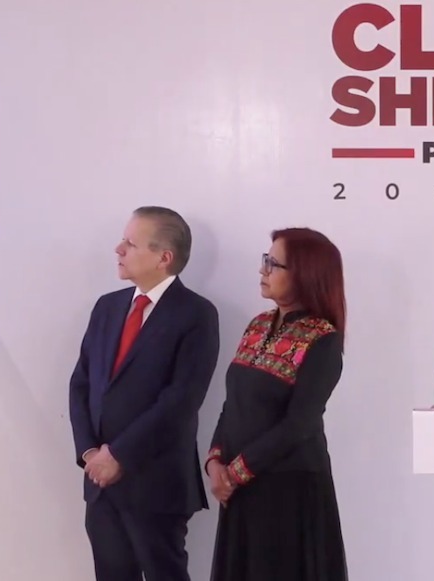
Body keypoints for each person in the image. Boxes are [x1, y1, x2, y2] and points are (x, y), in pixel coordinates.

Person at [68, 206, 221, 581]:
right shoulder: (107, 307)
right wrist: (90, 453)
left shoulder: (196, 314)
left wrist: (119, 455)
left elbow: (181, 400)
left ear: (163, 257)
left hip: (156, 483)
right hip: (101, 484)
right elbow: (81, 383)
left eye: (131, 243)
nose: (118, 249)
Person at [206, 227, 348, 581]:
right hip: (240, 488)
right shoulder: (257, 325)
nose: (262, 270)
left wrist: (235, 474)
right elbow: (233, 401)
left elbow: (299, 424)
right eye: (265, 260)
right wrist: (214, 462)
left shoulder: (322, 339)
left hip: (288, 489)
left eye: (273, 263)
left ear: (304, 274)